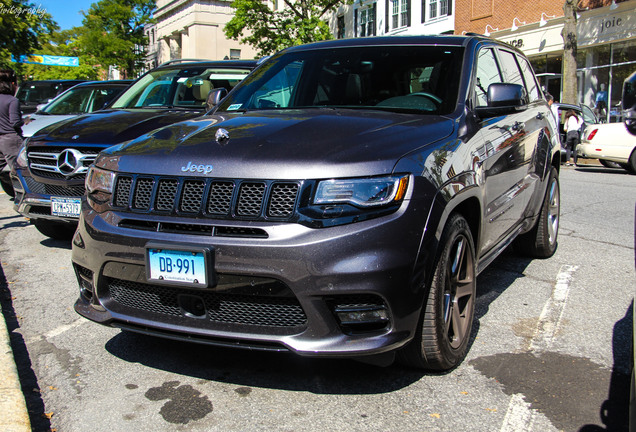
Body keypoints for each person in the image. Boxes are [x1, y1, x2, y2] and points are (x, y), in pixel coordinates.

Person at [0, 69, 23, 184]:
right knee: (18, 170)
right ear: (12, 84)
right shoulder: (12, 100)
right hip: (11, 139)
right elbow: (15, 122)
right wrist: (24, 121)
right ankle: (20, 194)